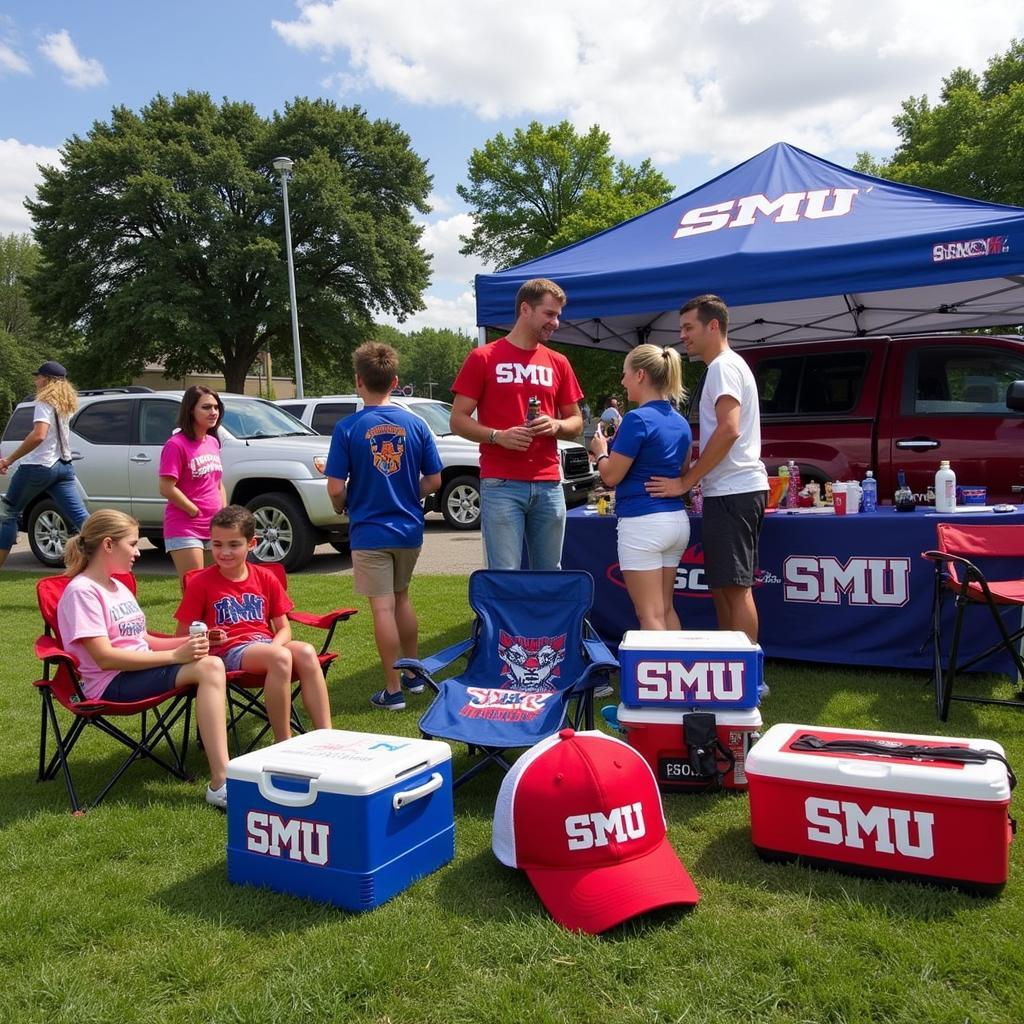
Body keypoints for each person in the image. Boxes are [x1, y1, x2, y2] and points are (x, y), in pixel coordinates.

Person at [56, 509, 230, 808]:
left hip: (136, 672)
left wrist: (194, 640)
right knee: (210, 667)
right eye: (133, 544)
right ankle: (221, 782)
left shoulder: (117, 585)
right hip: (110, 684)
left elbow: (142, 640)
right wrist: (175, 655)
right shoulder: (82, 592)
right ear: (108, 545)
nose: (137, 552)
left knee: (210, 659)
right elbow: (105, 658)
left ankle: (222, 773)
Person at [325, 342, 443, 711]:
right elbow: (435, 480)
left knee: (382, 608)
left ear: (359, 381)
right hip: (408, 528)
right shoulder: (417, 424)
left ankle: (392, 690)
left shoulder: (347, 428)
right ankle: (413, 674)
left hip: (369, 530)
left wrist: (343, 504)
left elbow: (334, 487)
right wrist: (411, 494)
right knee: (403, 598)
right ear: (395, 382)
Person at [646, 295, 768, 643]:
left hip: (735, 491)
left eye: (689, 327)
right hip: (730, 491)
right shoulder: (724, 366)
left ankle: (748, 679)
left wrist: (685, 481)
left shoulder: (723, 367)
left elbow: (729, 429)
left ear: (713, 326)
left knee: (734, 588)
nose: (682, 335)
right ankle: (731, 669)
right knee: (724, 586)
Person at [450, 278, 583, 570]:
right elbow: (458, 420)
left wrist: (556, 425)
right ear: (525, 309)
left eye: (558, 315)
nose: (556, 322)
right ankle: (507, 619)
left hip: (549, 482)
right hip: (501, 483)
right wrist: (498, 436)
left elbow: (576, 422)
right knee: (505, 575)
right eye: (549, 314)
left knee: (550, 575)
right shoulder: (483, 357)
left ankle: (547, 619)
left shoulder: (558, 362)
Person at [175, 504, 332, 740]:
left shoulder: (265, 577)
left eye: (234, 544)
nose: (224, 552)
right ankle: (284, 742)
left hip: (264, 646)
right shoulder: (201, 583)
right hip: (226, 652)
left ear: (252, 544)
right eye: (217, 544)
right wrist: (207, 636)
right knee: (279, 657)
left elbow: (284, 628)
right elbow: (181, 635)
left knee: (307, 652)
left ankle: (327, 735)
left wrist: (274, 647)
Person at [590, 345, 691, 631]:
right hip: (675, 521)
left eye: (625, 374)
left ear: (641, 375)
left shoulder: (636, 419)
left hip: (643, 523)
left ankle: (659, 676)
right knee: (666, 609)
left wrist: (600, 451)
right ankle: (677, 674)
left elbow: (610, 476)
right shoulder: (680, 422)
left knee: (650, 616)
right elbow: (682, 472)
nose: (622, 382)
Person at [0, 360, 88, 570]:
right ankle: (107, 557)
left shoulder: (43, 403)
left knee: (9, 513)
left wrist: (9, 460)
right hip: (64, 467)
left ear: (47, 380)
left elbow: (39, 435)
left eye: (38, 376)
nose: (36, 380)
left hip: (38, 466)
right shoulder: (66, 404)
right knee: (82, 519)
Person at [159, 385, 226, 587]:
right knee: (194, 587)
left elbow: (218, 483)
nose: (213, 412)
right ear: (190, 410)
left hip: (213, 527)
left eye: (216, 407)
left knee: (215, 586)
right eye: (206, 407)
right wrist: (194, 510)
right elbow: (166, 487)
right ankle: (192, 621)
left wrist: (223, 515)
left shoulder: (212, 442)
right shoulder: (175, 445)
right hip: (185, 527)